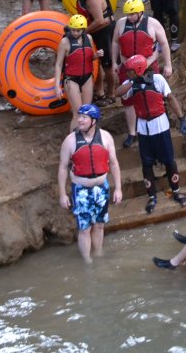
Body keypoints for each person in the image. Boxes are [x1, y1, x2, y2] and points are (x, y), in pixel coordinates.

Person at [114, 54, 186, 214]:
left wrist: (181, 118)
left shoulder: (158, 80)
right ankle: (152, 197)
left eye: (131, 72)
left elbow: (171, 98)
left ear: (139, 69)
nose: (128, 74)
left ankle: (176, 192)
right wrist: (133, 82)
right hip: (143, 128)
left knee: (169, 161)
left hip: (160, 125)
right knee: (146, 164)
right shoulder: (130, 83)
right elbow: (117, 92)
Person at [58, 103, 122, 262]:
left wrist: (118, 188)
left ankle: (98, 254)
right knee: (85, 228)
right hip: (81, 190)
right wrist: (62, 194)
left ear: (93, 120)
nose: (79, 120)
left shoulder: (106, 137)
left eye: (84, 117)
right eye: (79, 116)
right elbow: (63, 168)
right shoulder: (70, 141)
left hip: (101, 188)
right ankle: (87, 261)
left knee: (99, 224)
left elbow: (113, 163)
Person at [112, 0, 173, 146]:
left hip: (148, 65)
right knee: (128, 100)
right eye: (127, 14)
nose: (129, 17)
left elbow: (164, 44)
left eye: (132, 14)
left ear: (140, 13)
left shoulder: (152, 24)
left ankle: (160, 127)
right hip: (127, 67)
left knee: (154, 94)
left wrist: (168, 65)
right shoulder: (121, 24)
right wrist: (115, 61)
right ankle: (132, 132)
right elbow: (115, 42)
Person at [53, 0, 117, 104]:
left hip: (104, 30)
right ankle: (99, 91)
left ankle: (112, 94)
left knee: (106, 63)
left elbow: (99, 20)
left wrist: (82, 32)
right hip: (94, 28)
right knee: (94, 59)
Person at [54, 14, 98, 117]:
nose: (75, 32)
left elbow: (90, 58)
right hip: (71, 79)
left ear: (83, 29)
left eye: (78, 30)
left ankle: (86, 133)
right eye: (73, 30)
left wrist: (97, 55)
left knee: (87, 112)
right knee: (78, 113)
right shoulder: (65, 42)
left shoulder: (89, 38)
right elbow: (59, 64)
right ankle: (75, 133)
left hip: (87, 77)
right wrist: (56, 86)